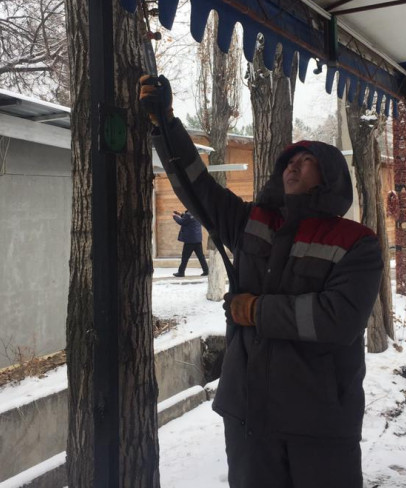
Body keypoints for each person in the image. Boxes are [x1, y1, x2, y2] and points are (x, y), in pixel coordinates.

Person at [140, 75, 383, 488]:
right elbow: (199, 190)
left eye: (306, 161)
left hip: (319, 421)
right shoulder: (254, 221)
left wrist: (255, 310)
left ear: (329, 176)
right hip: (249, 413)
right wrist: (166, 124)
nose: (293, 165)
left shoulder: (356, 242)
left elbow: (338, 319)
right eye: (290, 160)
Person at [172, 209, 209, 277]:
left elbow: (182, 222)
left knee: (185, 257)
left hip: (190, 240)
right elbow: (189, 218)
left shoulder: (188, 215)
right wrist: (180, 214)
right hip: (197, 239)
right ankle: (206, 270)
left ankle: (181, 272)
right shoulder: (197, 213)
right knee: (201, 256)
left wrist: (175, 216)